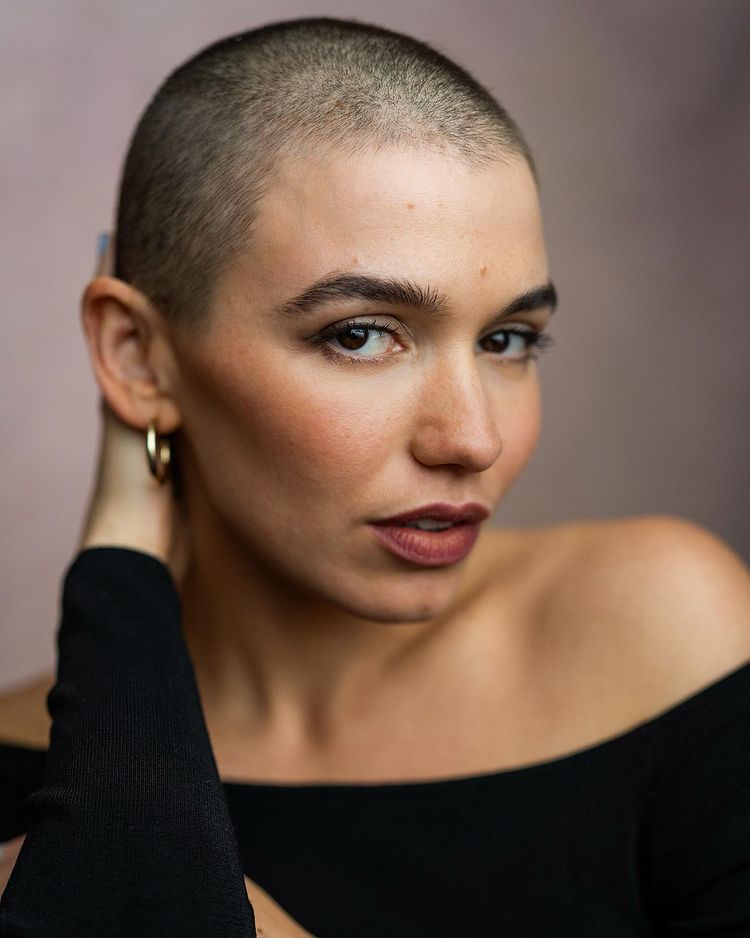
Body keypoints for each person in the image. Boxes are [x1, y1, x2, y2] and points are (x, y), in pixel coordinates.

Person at [2, 15, 750, 936]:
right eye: (360, 335)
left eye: (508, 340)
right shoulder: (28, 772)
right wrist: (120, 563)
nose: (473, 438)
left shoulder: (666, 631)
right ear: (137, 356)